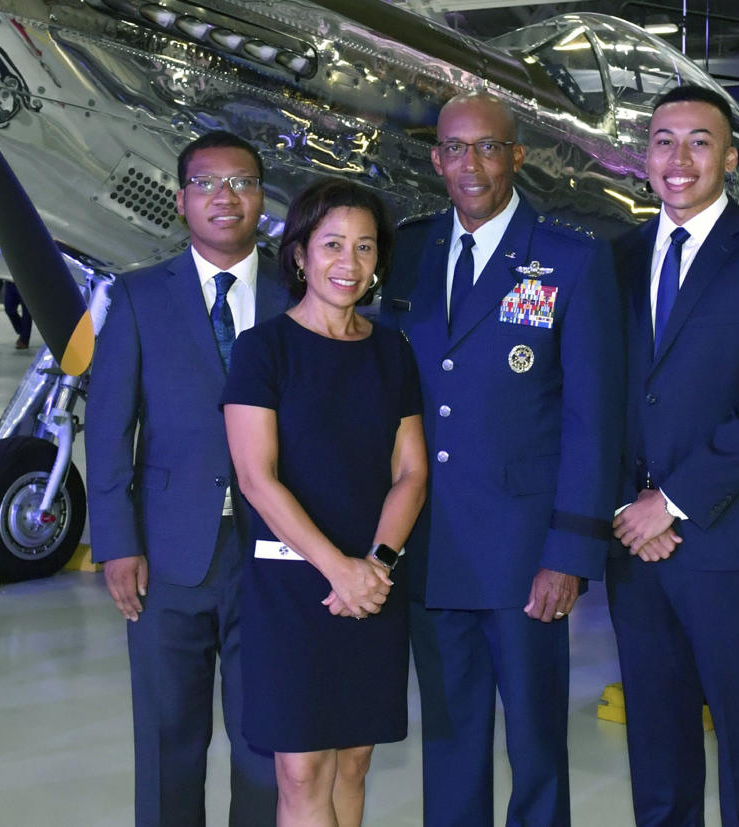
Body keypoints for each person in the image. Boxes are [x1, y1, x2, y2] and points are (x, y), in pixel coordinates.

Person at [379, 91, 624, 826]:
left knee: (536, 741)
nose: (471, 164)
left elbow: (592, 418)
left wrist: (569, 553)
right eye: (455, 148)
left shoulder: (569, 261)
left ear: (516, 156)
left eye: (488, 147)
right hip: (429, 548)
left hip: (525, 555)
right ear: (436, 159)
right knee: (449, 739)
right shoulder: (409, 252)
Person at [608, 84, 739, 826]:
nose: (679, 158)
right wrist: (627, 506)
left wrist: (666, 502)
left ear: (728, 157)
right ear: (644, 157)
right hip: (634, 546)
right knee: (656, 739)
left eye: (699, 141)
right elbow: (597, 400)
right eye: (663, 140)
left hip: (730, 543)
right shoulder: (617, 258)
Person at [86, 130, 287, 827]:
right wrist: (115, 541)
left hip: (276, 553)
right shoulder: (140, 296)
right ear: (179, 201)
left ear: (262, 198)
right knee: (169, 735)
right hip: (169, 552)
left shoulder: (300, 294)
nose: (223, 197)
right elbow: (108, 426)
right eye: (205, 184)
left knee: (265, 739)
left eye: (240, 182)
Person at [222, 179, 427, 827]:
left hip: (371, 583)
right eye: (332, 244)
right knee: (302, 766)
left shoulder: (391, 351)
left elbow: (411, 472)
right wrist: (338, 569)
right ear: (300, 255)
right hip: (292, 584)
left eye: (364, 248)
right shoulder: (263, 349)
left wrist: (376, 563)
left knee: (354, 759)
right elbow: (257, 478)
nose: (349, 262)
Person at [3, 281, 33, 349]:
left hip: (27, 281)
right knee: (9, 308)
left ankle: (24, 340)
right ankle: (22, 330)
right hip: (10, 280)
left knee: (27, 311)